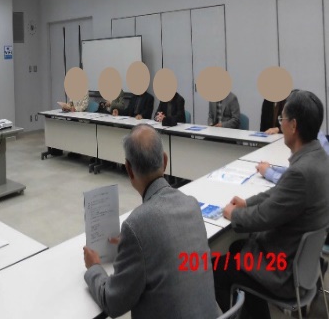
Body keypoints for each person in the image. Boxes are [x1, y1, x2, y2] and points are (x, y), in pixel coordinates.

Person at [83, 124, 218, 319]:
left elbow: (113, 302)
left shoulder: (136, 225)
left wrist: (94, 267)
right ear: (165, 161)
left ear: (129, 169)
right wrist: (134, 243)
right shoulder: (192, 204)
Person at [214, 90, 329, 319]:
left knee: (215, 268)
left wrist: (233, 214)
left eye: (282, 119)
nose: (280, 124)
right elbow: (278, 193)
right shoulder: (318, 158)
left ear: (293, 125)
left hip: (283, 269)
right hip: (300, 261)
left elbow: (262, 218)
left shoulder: (301, 172)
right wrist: (247, 202)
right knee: (236, 248)